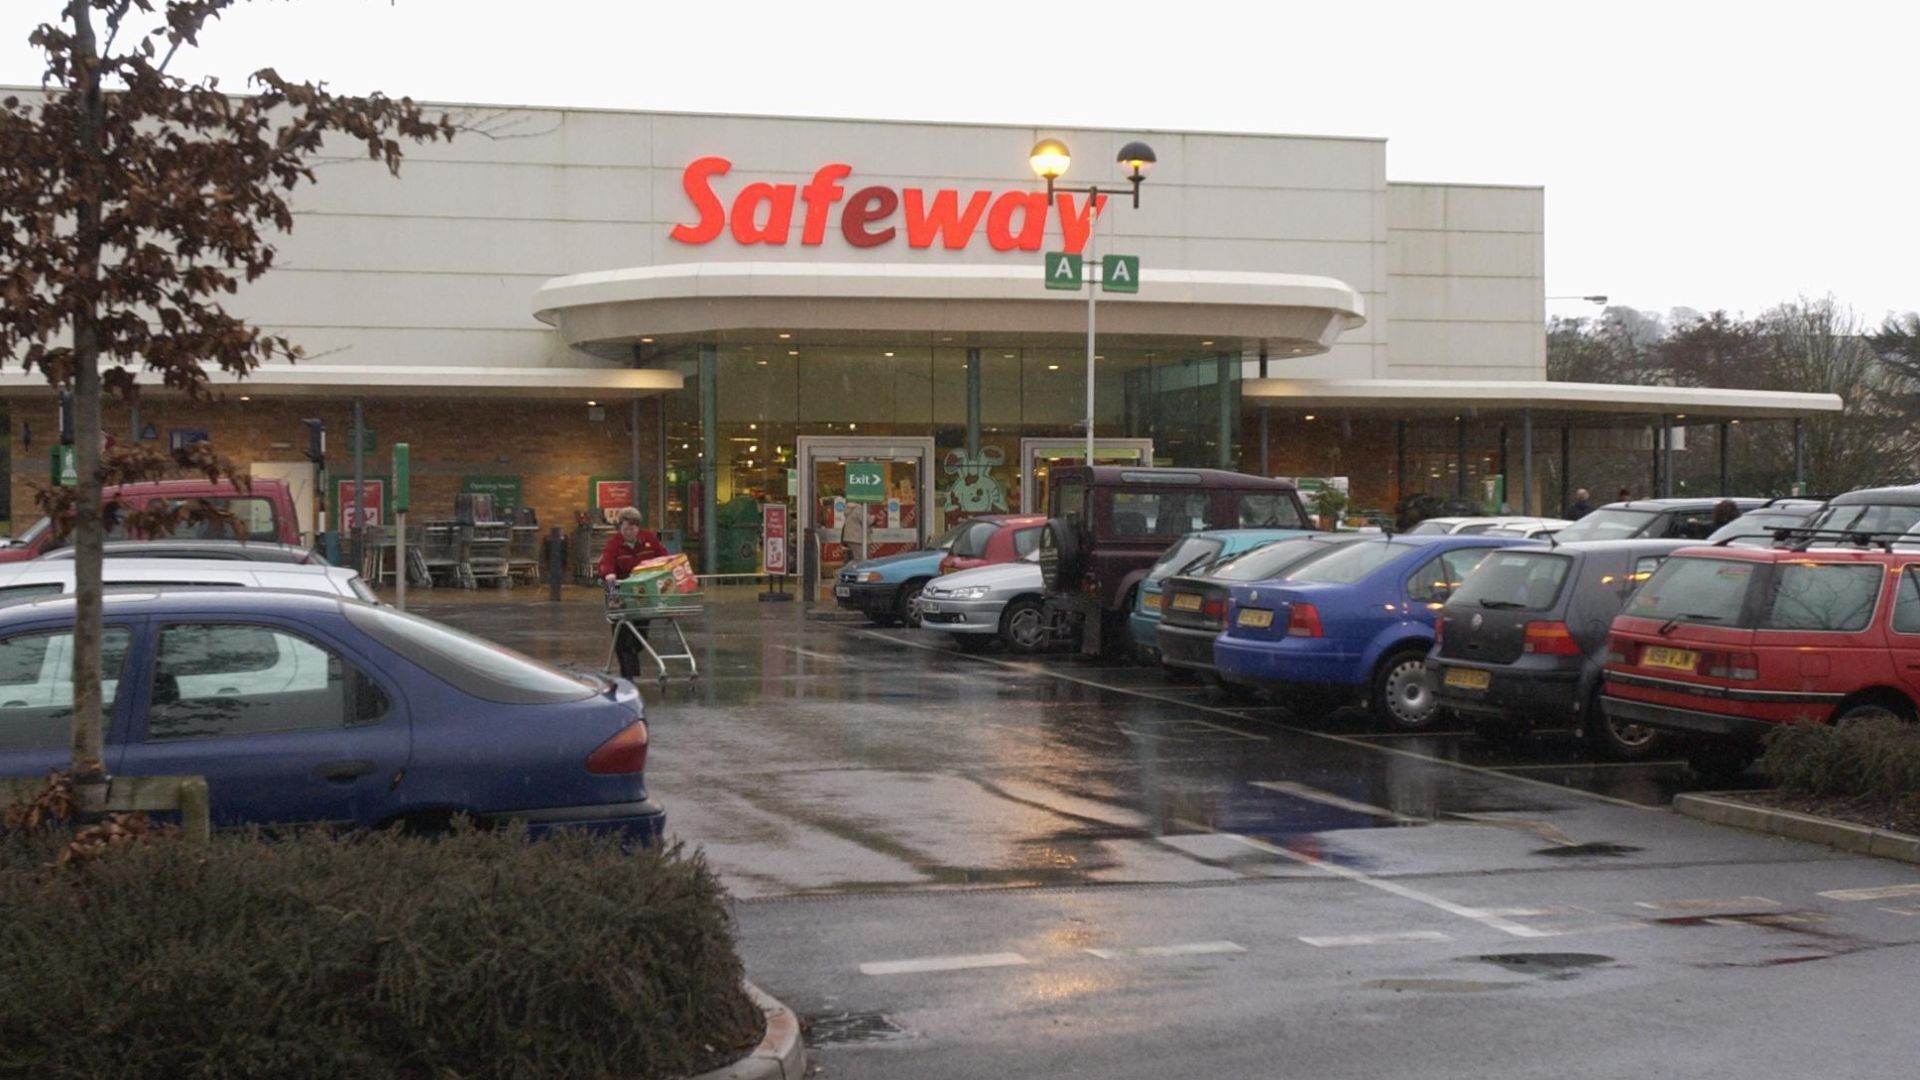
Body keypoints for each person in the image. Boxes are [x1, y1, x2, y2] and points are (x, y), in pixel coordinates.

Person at [598, 507, 669, 678]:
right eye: (625, 528)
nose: (628, 532)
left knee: (640, 634)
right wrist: (609, 576)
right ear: (620, 528)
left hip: (643, 592)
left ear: (638, 528)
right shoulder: (614, 543)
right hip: (620, 590)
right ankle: (628, 674)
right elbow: (606, 563)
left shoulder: (649, 539)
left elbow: (663, 557)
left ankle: (632, 658)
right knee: (622, 633)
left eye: (632, 528)